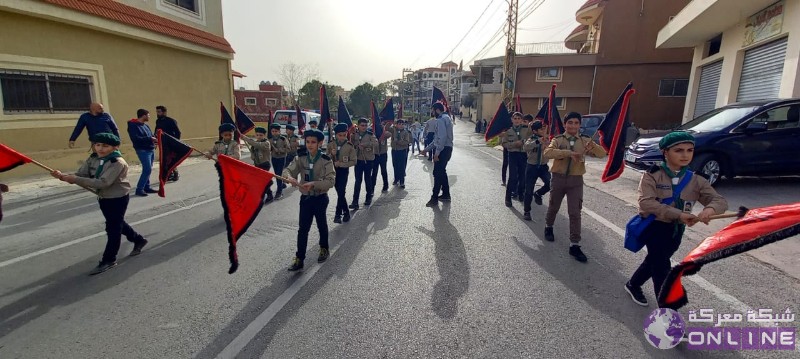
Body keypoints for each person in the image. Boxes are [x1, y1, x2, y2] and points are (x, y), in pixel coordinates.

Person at [624, 132, 727, 306]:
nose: (685, 155)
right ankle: (667, 313)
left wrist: (709, 209)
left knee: (655, 260)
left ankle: (633, 284)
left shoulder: (696, 180)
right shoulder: (653, 175)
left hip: (676, 230)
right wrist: (679, 214)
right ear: (666, 152)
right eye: (678, 150)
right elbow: (646, 203)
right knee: (662, 269)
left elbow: (719, 200)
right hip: (655, 227)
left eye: (689, 150)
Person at [51, 133, 148, 275]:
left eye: (105, 146)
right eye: (97, 145)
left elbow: (103, 183)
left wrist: (74, 179)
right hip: (103, 197)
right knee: (116, 222)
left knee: (113, 228)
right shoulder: (93, 158)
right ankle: (138, 239)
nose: (100, 149)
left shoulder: (117, 162)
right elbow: (82, 175)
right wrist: (63, 176)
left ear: (114, 147)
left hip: (117, 197)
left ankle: (109, 259)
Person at [542, 112, 607, 263]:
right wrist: (569, 153)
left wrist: (593, 146)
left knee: (575, 212)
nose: (573, 125)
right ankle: (549, 226)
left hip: (576, 180)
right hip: (558, 179)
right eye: (569, 122)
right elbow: (548, 152)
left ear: (579, 125)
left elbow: (602, 154)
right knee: (553, 206)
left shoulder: (585, 140)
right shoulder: (558, 139)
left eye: (576, 123)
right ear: (565, 124)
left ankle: (575, 244)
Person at [282, 129, 336, 271]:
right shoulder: (301, 157)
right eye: (307, 142)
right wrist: (290, 177)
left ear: (320, 143)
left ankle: (324, 248)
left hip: (320, 198)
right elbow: (287, 170)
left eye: (313, 142)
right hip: (305, 199)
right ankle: (299, 258)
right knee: (303, 229)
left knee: (321, 225)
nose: (310, 145)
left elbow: (330, 181)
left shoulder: (326, 160)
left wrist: (313, 184)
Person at [422, 103, 454, 207]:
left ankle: (434, 198)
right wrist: (426, 149)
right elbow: (437, 139)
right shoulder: (446, 118)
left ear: (436, 110)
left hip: (443, 149)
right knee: (441, 172)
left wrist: (437, 152)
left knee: (437, 173)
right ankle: (445, 194)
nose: (432, 113)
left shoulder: (440, 120)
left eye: (432, 110)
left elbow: (442, 138)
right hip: (447, 148)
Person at [522, 120, 551, 221]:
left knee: (550, 184)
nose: (543, 131)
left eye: (544, 129)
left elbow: (552, 149)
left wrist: (546, 144)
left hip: (543, 166)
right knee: (528, 190)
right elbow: (526, 147)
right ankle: (527, 211)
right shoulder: (531, 139)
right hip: (532, 166)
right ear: (534, 131)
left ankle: (538, 193)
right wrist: (538, 141)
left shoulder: (547, 139)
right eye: (541, 129)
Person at [327, 123, 357, 223]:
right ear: (336, 135)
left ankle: (337, 214)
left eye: (344, 135)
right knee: (340, 193)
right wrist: (331, 154)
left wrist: (342, 164)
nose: (342, 137)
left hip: (343, 171)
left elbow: (354, 161)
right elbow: (325, 158)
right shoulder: (331, 144)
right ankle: (346, 212)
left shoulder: (349, 146)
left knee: (341, 191)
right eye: (340, 135)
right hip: (333, 171)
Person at [502, 112, 531, 207]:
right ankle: (508, 198)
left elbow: (531, 139)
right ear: (512, 120)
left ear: (522, 120)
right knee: (513, 177)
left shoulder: (527, 130)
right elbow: (504, 144)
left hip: (523, 155)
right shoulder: (508, 131)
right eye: (515, 118)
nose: (517, 120)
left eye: (519, 118)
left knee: (522, 176)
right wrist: (514, 144)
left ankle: (520, 193)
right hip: (513, 154)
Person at [127, 109, 158, 197]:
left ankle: (146, 187)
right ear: (143, 115)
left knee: (149, 169)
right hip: (142, 150)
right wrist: (150, 139)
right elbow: (136, 138)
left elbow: (151, 135)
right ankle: (139, 189)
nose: (149, 117)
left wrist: (155, 139)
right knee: (147, 169)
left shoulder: (146, 126)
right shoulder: (133, 126)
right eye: (148, 115)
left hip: (150, 149)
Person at [240, 127, 275, 203]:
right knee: (259, 182)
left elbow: (257, 145)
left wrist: (245, 138)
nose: (259, 136)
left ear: (264, 135)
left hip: (265, 164)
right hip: (257, 164)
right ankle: (265, 191)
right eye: (257, 135)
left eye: (261, 135)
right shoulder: (255, 144)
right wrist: (253, 154)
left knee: (262, 182)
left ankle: (269, 195)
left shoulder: (266, 143)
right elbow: (253, 155)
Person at [349, 118, 378, 209]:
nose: (364, 127)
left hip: (368, 160)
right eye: (362, 125)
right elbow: (350, 142)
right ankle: (355, 202)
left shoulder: (370, 134)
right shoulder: (355, 135)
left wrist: (364, 145)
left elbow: (375, 143)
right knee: (358, 181)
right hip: (358, 160)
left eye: (365, 125)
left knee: (367, 179)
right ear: (358, 125)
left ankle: (368, 197)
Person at [154, 105, 182, 181]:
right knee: (165, 160)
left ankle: (175, 173)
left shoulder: (171, 121)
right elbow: (156, 131)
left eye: (159, 112)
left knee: (171, 159)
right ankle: (168, 174)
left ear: (164, 112)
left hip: (171, 144)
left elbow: (178, 132)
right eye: (157, 112)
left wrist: (176, 143)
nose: (157, 113)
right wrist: (155, 140)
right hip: (162, 144)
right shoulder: (158, 121)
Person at [388, 119, 412, 188]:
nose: (401, 125)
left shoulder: (406, 132)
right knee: (395, 165)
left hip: (402, 151)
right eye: (399, 124)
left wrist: (398, 142)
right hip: (394, 150)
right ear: (396, 124)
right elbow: (387, 128)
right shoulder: (394, 130)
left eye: (402, 124)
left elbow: (406, 142)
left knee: (401, 166)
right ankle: (396, 179)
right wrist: (389, 122)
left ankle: (402, 181)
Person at [269, 123, 290, 199]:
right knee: (277, 174)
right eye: (273, 131)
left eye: (276, 131)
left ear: (279, 131)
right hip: (274, 158)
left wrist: (280, 150)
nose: (274, 133)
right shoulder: (270, 140)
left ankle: (279, 191)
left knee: (279, 175)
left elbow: (288, 149)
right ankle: (282, 185)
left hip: (281, 158)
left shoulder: (283, 139)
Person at [371, 120, 391, 193]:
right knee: (374, 172)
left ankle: (385, 185)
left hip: (383, 154)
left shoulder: (384, 133)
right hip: (375, 154)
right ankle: (372, 188)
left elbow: (389, 134)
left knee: (383, 171)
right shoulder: (373, 132)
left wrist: (383, 129)